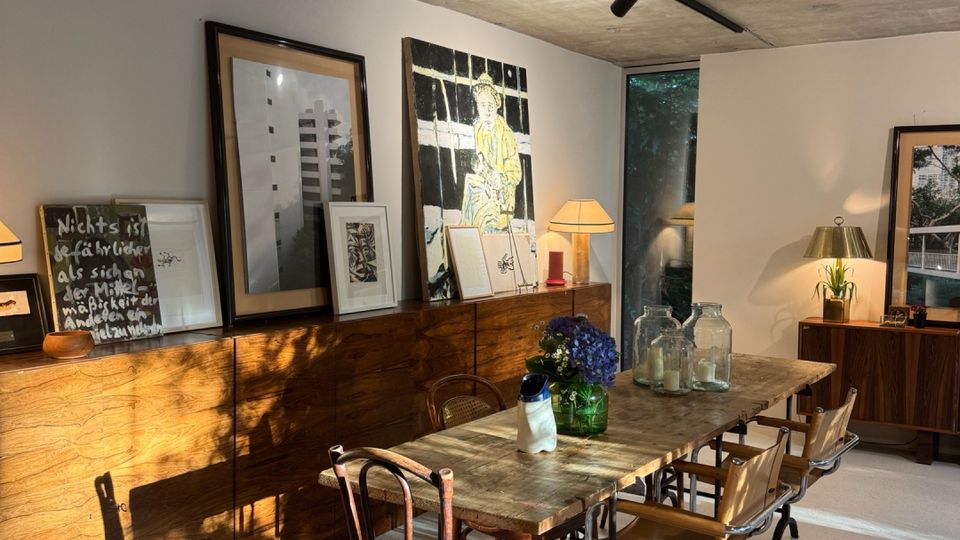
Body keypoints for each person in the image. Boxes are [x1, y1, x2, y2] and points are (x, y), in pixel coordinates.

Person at [461, 73, 522, 232]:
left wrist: (500, 178)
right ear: (477, 106)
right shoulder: (478, 129)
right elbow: (478, 159)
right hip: (484, 190)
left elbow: (516, 174)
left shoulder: (506, 134)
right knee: (468, 210)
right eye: (482, 105)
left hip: (503, 201)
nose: (486, 110)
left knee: (480, 220)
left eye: (490, 105)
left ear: (496, 106)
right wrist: (479, 166)